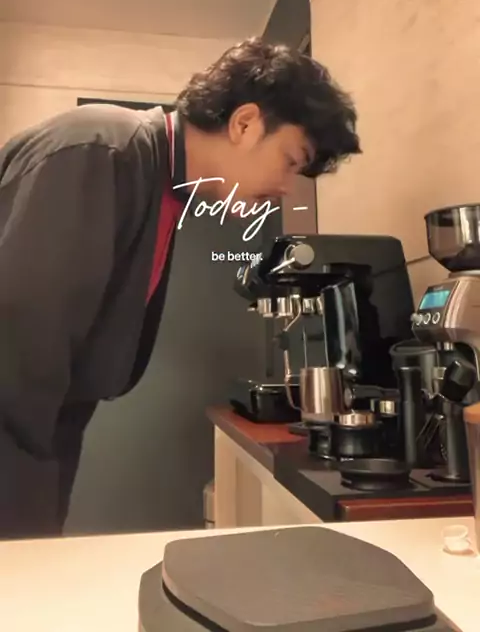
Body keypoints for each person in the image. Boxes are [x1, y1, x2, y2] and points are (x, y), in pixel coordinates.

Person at [0, 37, 361, 538]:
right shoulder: (103, 148)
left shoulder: (160, 184)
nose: (286, 187)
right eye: (291, 160)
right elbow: (17, 355)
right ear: (245, 123)